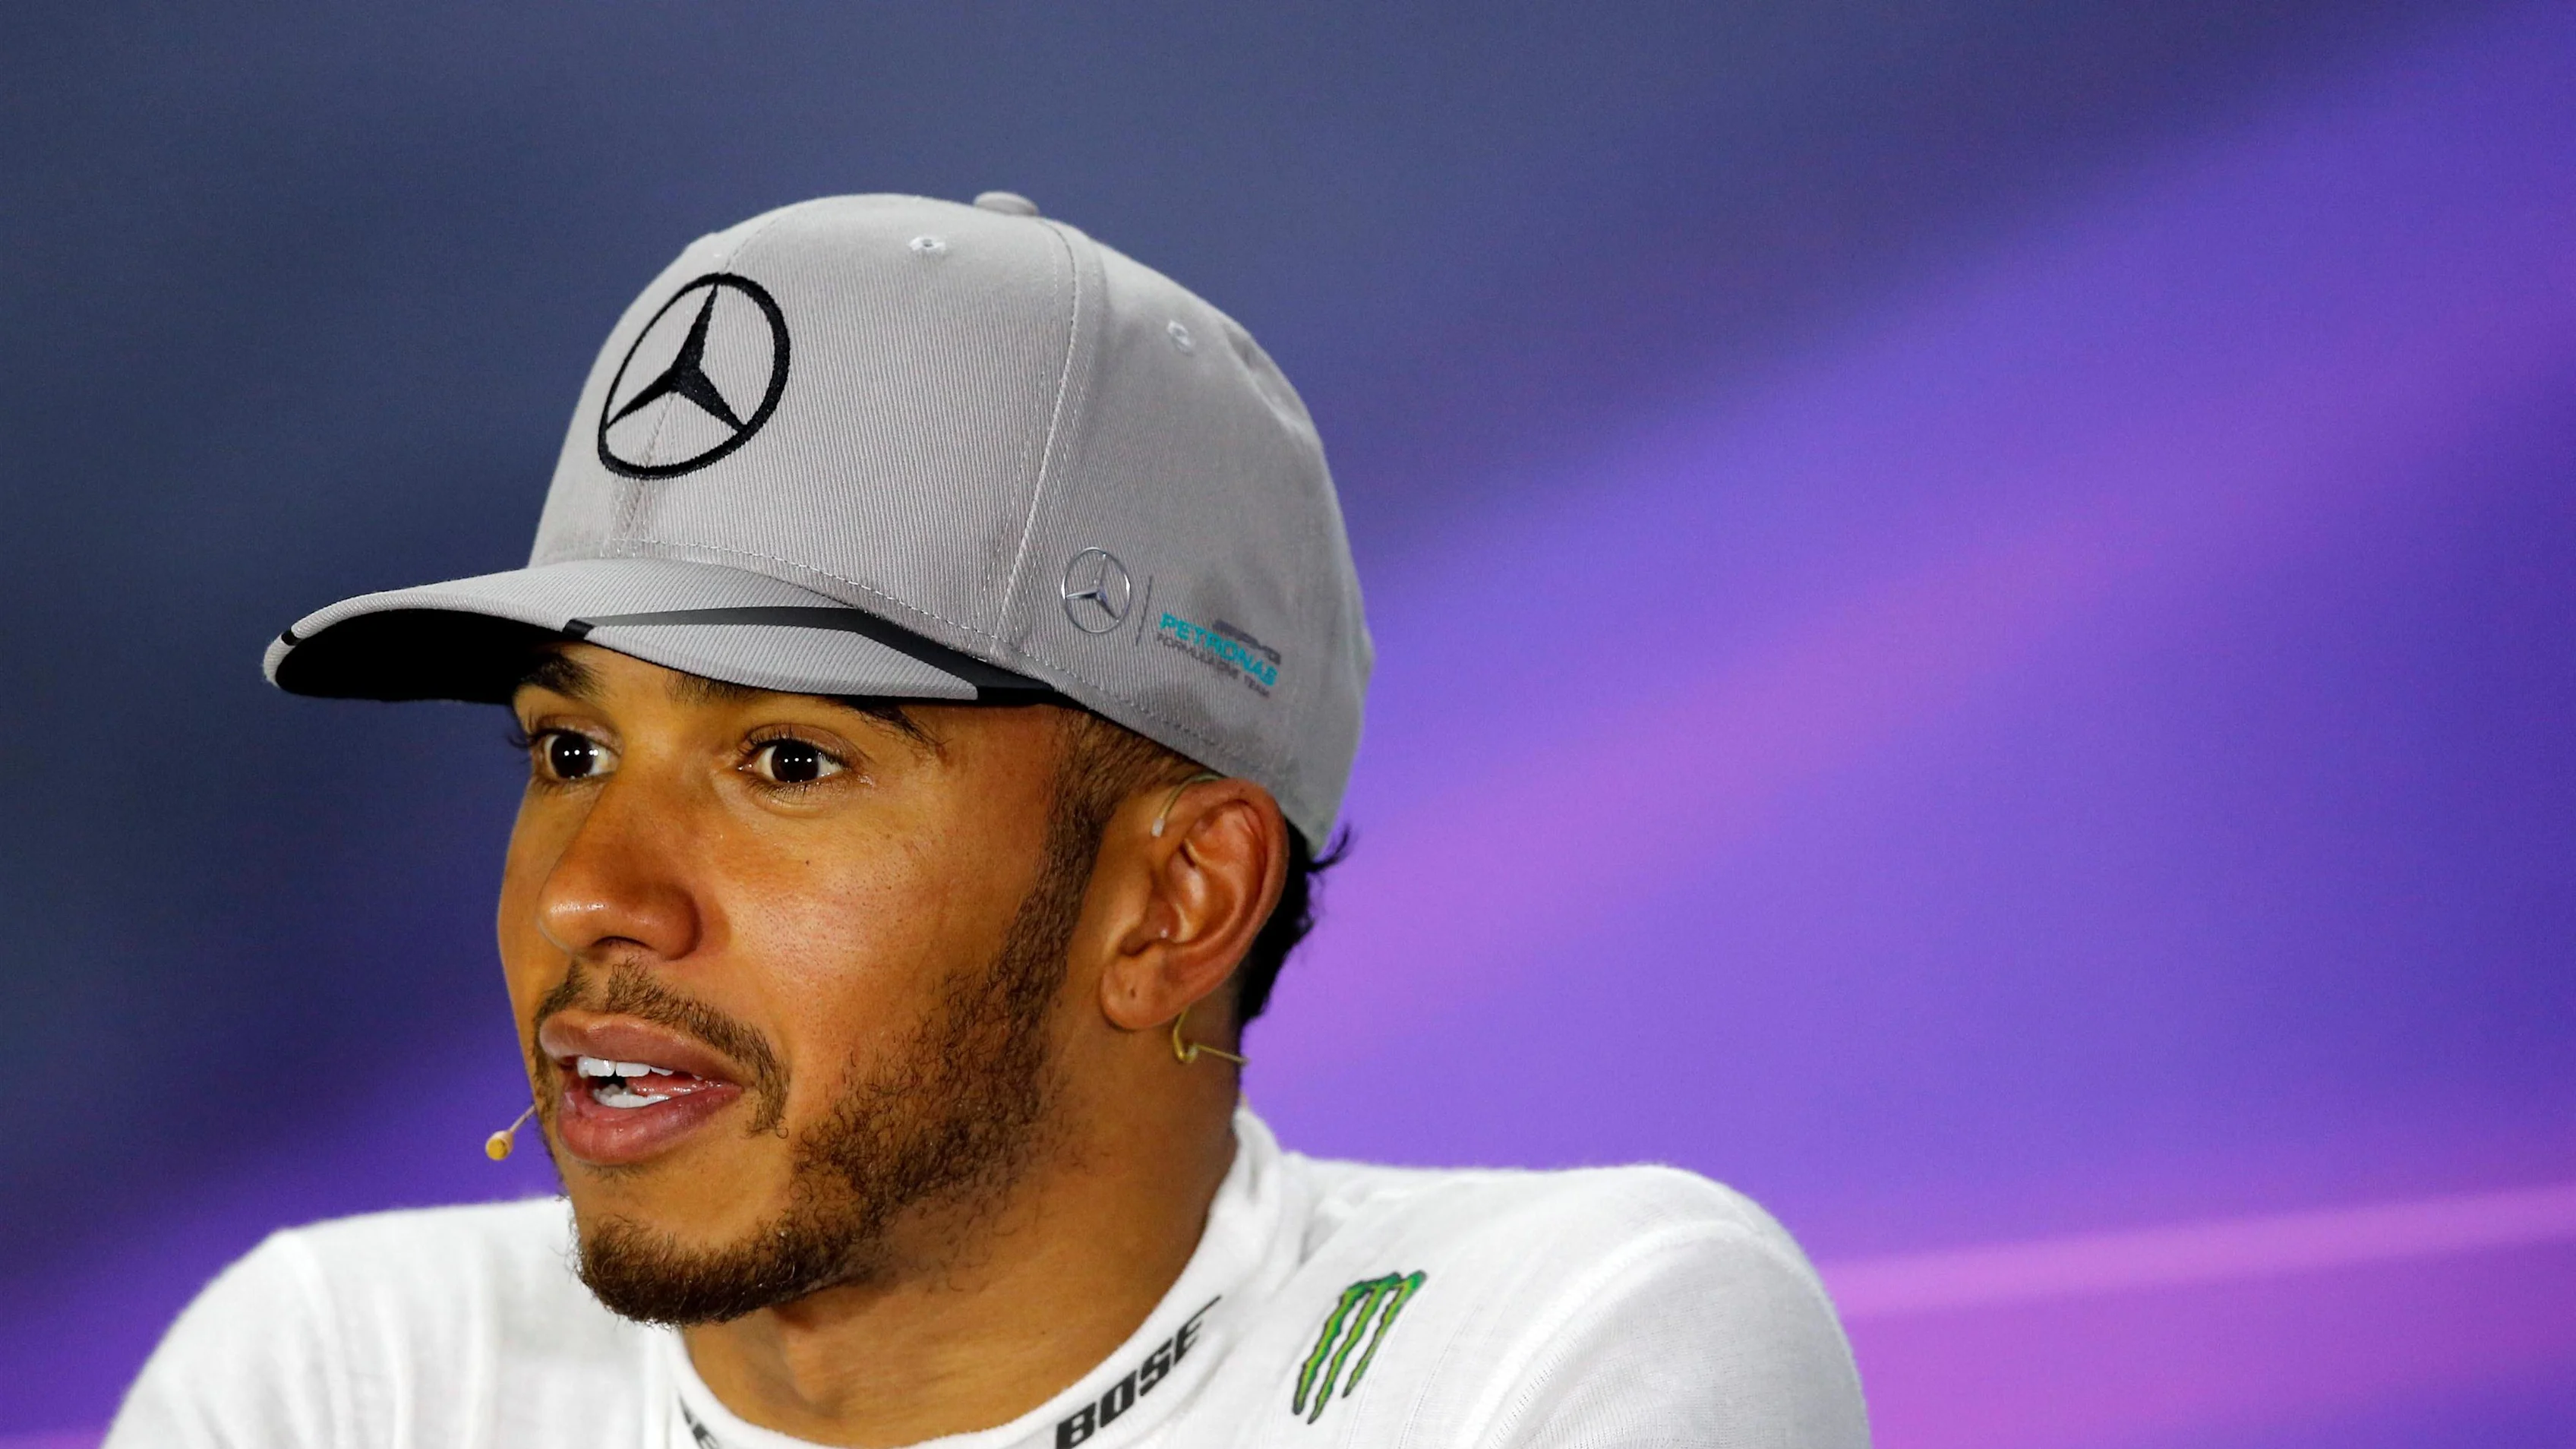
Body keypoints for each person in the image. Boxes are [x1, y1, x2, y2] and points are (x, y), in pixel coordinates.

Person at [108, 191, 1869, 1448]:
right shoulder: (334, 1374)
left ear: (1177, 902)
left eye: (787, 762)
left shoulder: (1557, 1350)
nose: (589, 899)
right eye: (567, 751)